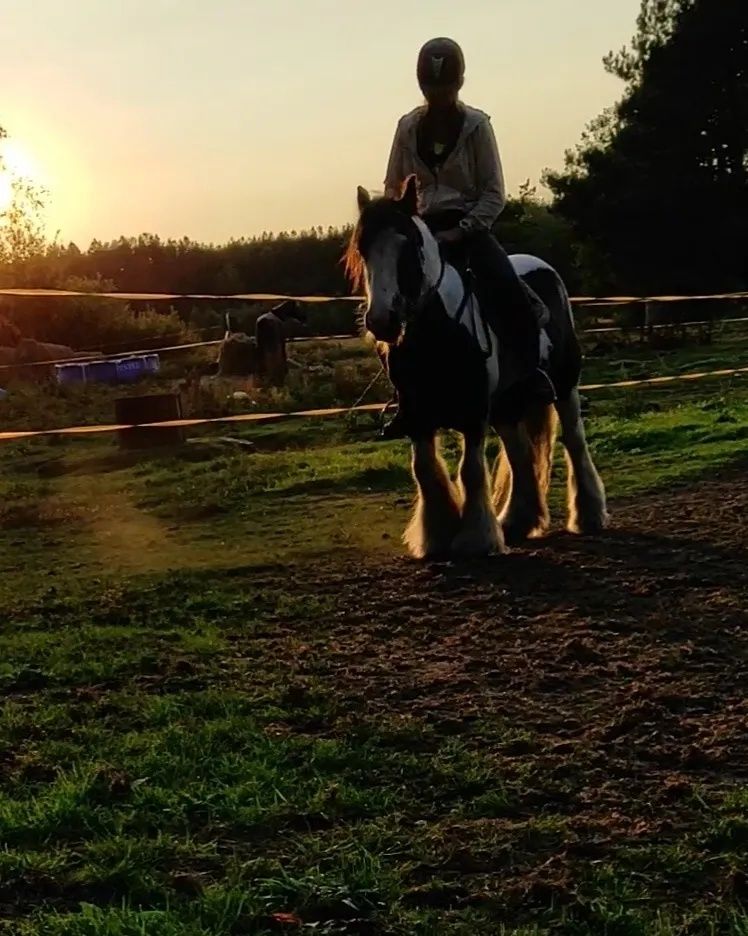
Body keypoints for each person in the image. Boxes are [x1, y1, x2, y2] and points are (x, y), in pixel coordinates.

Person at [379, 37, 555, 438]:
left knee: (507, 287)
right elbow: (393, 185)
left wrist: (463, 230)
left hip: (469, 227)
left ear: (458, 84)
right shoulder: (407, 127)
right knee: (391, 303)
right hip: (421, 231)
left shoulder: (477, 126)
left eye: (444, 88)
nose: (437, 95)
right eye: (430, 88)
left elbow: (494, 193)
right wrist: (404, 227)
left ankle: (530, 374)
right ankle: (407, 399)